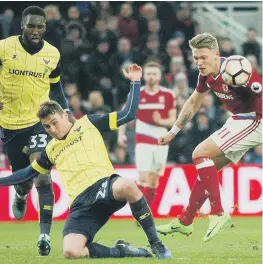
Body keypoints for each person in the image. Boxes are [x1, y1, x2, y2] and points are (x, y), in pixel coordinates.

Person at [0, 64, 172, 259]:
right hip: (80, 204)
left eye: (54, 123)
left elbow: (128, 115)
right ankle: (122, 251)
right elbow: (27, 174)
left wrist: (135, 81)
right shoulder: (49, 150)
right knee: (71, 251)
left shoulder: (89, 123)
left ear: (65, 115)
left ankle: (156, 244)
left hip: (104, 186)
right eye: (47, 127)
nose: (52, 130)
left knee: (127, 185)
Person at [156, 33, 262, 242]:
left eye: (203, 57)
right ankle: (185, 221)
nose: (199, 62)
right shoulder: (205, 75)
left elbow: (257, 89)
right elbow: (194, 102)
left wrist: (255, 87)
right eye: (196, 58)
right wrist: (173, 132)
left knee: (200, 153)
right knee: (208, 168)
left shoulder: (235, 68)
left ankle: (218, 212)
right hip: (239, 119)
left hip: (255, 119)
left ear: (216, 54)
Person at [0, 6, 70, 255]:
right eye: (31, 25)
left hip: (38, 122)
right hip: (9, 125)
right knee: (25, 183)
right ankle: (20, 195)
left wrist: (65, 110)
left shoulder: (52, 54)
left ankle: (44, 235)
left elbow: (56, 87)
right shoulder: (4, 48)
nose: (36, 30)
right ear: (22, 25)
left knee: (42, 176)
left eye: (40, 26)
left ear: (45, 28)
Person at [118, 62, 176, 210]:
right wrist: (121, 134)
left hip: (161, 140)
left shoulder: (168, 95)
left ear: (160, 76)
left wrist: (160, 121)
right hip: (142, 140)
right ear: (144, 76)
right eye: (148, 74)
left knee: (153, 179)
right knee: (143, 177)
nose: (151, 77)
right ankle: (140, 211)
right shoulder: (136, 93)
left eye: (154, 74)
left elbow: (172, 120)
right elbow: (125, 114)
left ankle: (146, 211)